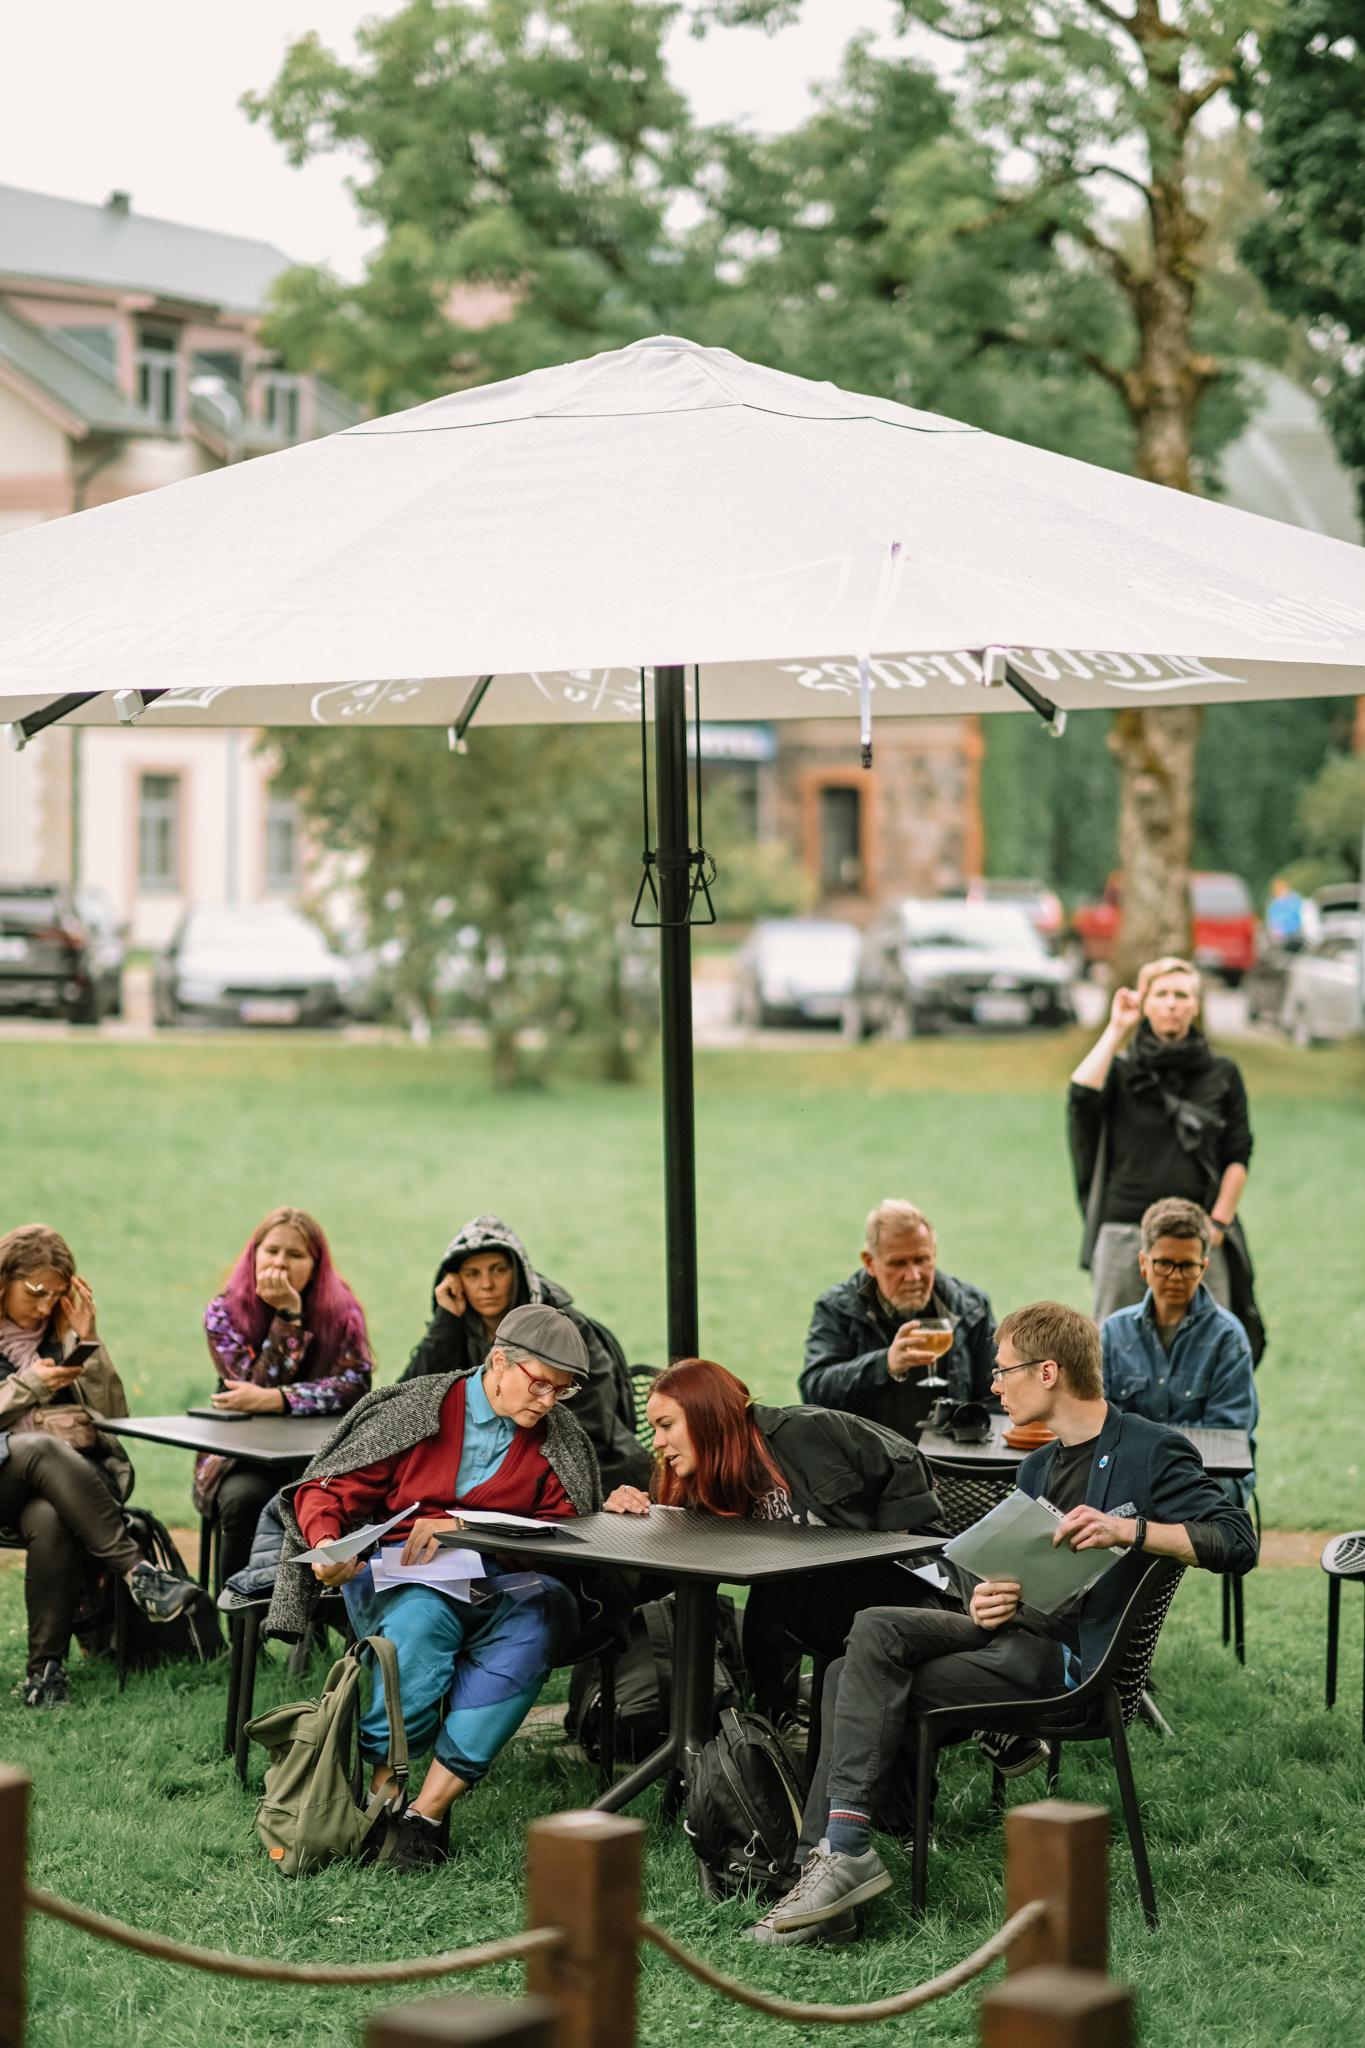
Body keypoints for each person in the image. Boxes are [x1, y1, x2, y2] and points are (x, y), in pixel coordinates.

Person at [747, 1300, 1257, 1946]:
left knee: (853, 1676)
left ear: (1048, 1372)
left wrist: (1129, 1530)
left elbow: (1237, 1541)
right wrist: (985, 1600)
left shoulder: (1150, 1451)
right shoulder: (1036, 1467)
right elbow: (1012, 1579)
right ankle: (833, 1865)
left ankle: (828, 1872)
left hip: (1071, 1666)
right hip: (1014, 1634)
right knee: (867, 1635)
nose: (993, 1386)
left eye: (1002, 1370)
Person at [268, 1303, 612, 1873]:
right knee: (423, 1619)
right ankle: (383, 1800)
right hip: (403, 1575)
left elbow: (566, 1531)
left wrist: (465, 1529)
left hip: (502, 1583)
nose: (549, 1401)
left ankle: (422, 1818)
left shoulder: (559, 1439)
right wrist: (328, 1546)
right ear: (499, 1362)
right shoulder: (418, 1408)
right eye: (540, 1384)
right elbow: (324, 1489)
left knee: (548, 1613)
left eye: (562, 1390)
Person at [604, 1357, 947, 1724]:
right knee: (769, 1611)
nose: (657, 1442)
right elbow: (663, 1578)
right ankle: (776, 1722)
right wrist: (627, 1522)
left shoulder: (804, 1430)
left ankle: (793, 1719)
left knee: (779, 1604)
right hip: (804, 1605)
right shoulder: (696, 1482)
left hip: (903, 1591)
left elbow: (904, 1457)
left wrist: (889, 1543)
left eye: (666, 1425)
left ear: (707, 1415)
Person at [0, 1223, 203, 1707]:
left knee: (50, 1518)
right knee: (40, 1448)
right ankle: (138, 1572)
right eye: (35, 1292)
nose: (45, 1306)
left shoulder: (61, 1336)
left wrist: (89, 1342)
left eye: (56, 1295)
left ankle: (43, 1678)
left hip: (62, 1491)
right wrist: (33, 1385)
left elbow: (114, 1415)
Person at [1068, 958, 1256, 1333]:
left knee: (1210, 1347)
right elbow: (1081, 1096)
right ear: (1145, 1002)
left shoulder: (1223, 1072)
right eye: (1162, 994)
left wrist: (1218, 1223)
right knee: (1114, 1349)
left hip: (1199, 1236)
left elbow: (1238, 1152)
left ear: (1195, 1005)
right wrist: (1117, 1027)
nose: (1172, 1003)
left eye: (1181, 995)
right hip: (1126, 1232)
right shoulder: (1119, 1070)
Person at [400, 1213, 649, 1492]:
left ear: (518, 1273)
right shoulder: (456, 1327)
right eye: (472, 1274)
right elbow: (407, 1403)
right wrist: (445, 1321)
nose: (487, 1285)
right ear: (456, 1281)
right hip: (488, 1470)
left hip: (589, 1468)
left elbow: (592, 1421)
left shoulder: (562, 1326)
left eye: (498, 1270)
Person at [196, 1207, 373, 1585]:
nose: (280, 1263)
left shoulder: (343, 1312)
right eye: (272, 1251)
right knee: (244, 1500)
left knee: (334, 1506)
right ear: (254, 1254)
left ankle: (318, 1613)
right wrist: (289, 1317)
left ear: (315, 1265)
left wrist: (281, 1399)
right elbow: (247, 1385)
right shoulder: (223, 1312)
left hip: (319, 1458)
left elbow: (355, 1386)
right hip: (242, 1458)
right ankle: (241, 1615)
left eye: (295, 1255)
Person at [1101, 1198, 1257, 1502]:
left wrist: (1146, 1450)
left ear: (1203, 1267)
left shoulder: (1228, 1337)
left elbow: (1227, 1435)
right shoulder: (1113, 1332)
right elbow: (1100, 1420)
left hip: (1207, 1475)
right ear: (1144, 1263)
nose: (1175, 1276)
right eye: (1164, 1264)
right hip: (1130, 1471)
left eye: (1187, 1266)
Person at [799, 1200, 996, 1430]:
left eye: (921, 1259)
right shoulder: (838, 1308)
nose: (913, 1276)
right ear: (870, 1262)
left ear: (933, 1254)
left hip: (948, 1451)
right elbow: (815, 1392)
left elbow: (998, 1394)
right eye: (898, 1263)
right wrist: (886, 1364)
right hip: (869, 1452)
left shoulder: (971, 1306)